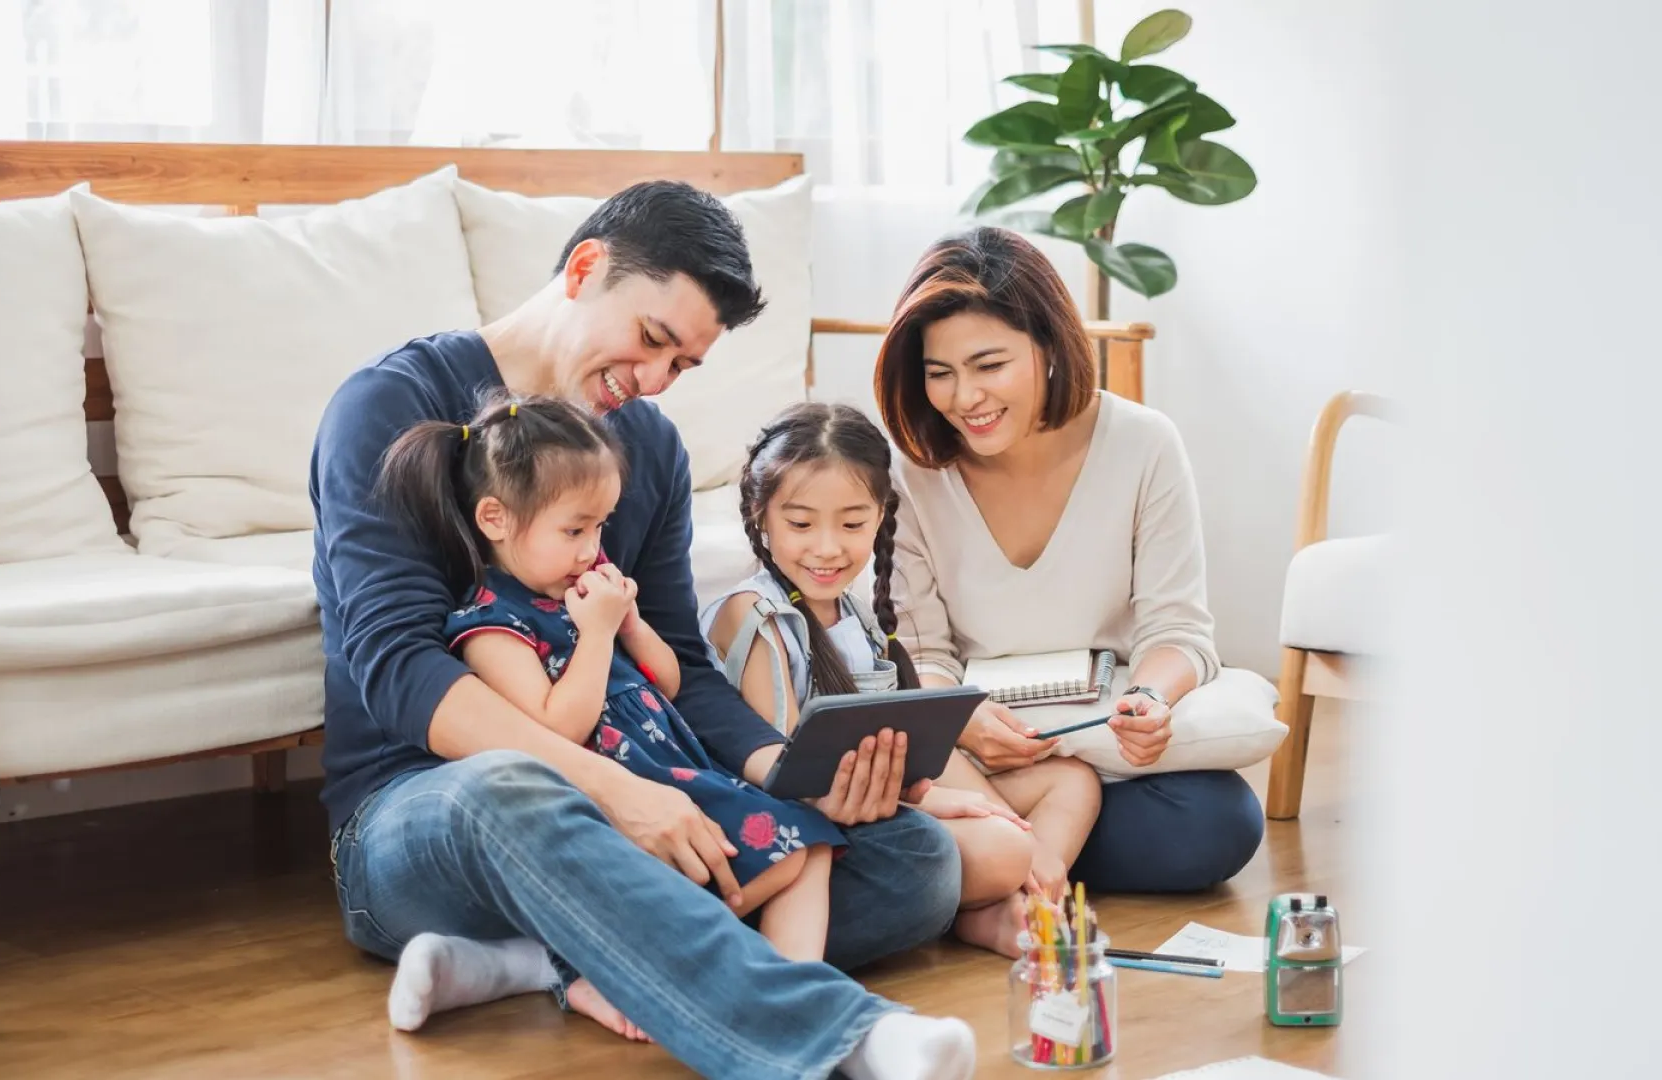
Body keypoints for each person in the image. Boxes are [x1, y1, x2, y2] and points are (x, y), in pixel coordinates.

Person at [311, 180, 974, 1080]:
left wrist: (787, 774)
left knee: (914, 860)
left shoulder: (649, 449)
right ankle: (844, 1036)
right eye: (654, 341)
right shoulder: (385, 407)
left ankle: (536, 962)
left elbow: (684, 670)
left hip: (631, 791)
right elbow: (396, 671)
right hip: (425, 817)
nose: (655, 380)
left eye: (683, 366)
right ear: (586, 270)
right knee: (509, 789)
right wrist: (610, 792)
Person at [373, 392, 847, 1038]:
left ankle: (792, 993)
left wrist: (630, 622)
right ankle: (620, 967)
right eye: (574, 530)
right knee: (775, 856)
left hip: (676, 776)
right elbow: (557, 727)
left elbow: (669, 681)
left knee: (807, 845)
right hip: (603, 805)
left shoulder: (586, 593)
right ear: (495, 519)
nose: (592, 548)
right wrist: (594, 636)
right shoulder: (491, 625)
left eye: (600, 527)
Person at [872, 226, 1267, 895]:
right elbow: (920, 654)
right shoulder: (911, 474)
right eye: (940, 374)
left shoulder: (1144, 444)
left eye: (989, 365)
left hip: (1101, 740)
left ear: (1049, 346)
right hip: (978, 753)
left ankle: (999, 858)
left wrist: (1150, 697)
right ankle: (1022, 848)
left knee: (1218, 823)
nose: (965, 398)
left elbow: (1177, 631)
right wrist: (963, 718)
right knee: (899, 773)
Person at [701, 401, 1098, 958]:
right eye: (800, 523)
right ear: (761, 515)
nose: (827, 547)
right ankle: (999, 899)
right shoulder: (754, 615)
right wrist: (937, 807)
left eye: (852, 523)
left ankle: (1014, 901)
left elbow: (903, 748)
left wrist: (949, 800)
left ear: (880, 517)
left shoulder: (855, 615)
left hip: (887, 800)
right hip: (817, 824)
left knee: (1073, 783)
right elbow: (789, 781)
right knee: (1003, 847)